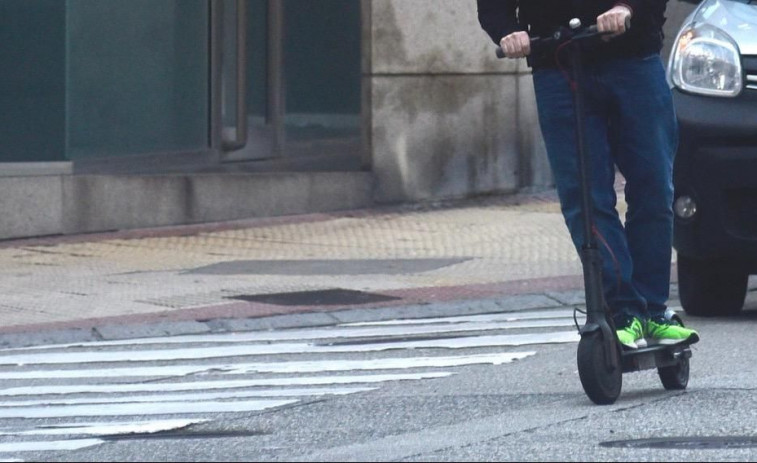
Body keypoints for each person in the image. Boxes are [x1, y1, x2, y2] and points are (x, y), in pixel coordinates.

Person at [476, 0, 699, 349]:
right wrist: (506, 31)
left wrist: (627, 8)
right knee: (584, 196)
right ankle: (624, 309)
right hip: (558, 64)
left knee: (654, 187)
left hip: (632, 59)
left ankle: (653, 310)